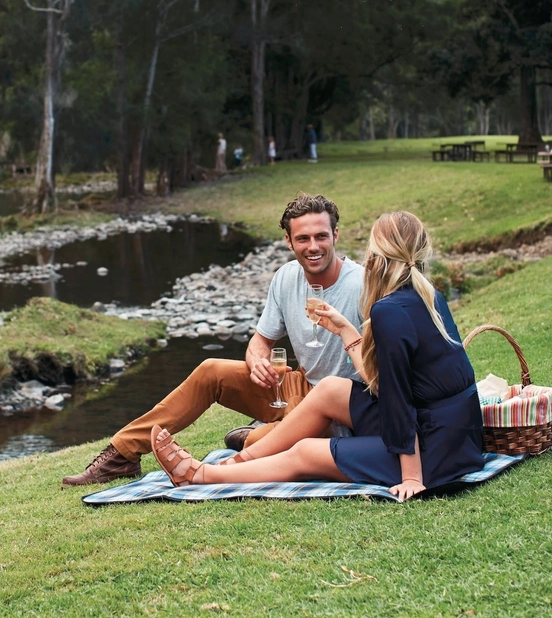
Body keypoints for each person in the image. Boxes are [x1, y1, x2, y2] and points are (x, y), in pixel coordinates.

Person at [149, 211, 484, 501]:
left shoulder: (389, 311)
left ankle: (197, 476)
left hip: (432, 454)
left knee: (305, 452)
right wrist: (345, 330)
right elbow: (389, 383)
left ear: (377, 255)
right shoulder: (426, 294)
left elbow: (398, 399)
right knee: (330, 390)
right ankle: (236, 463)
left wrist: (411, 477)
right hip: (458, 436)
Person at [62, 193, 365, 487]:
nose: (313, 246)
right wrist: (257, 361)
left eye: (321, 236)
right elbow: (261, 340)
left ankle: (250, 438)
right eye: (303, 238)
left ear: (335, 235)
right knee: (211, 370)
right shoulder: (286, 277)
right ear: (289, 241)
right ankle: (122, 455)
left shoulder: (362, 284)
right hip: (298, 387)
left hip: (339, 408)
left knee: (280, 444)